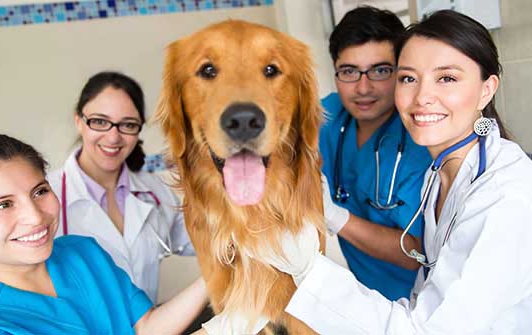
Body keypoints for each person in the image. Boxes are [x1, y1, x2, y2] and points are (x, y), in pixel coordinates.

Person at [253, 10, 532, 334]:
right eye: (409, 78)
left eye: (447, 78)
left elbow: (427, 330)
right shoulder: (442, 172)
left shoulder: (507, 197)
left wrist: (305, 266)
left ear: (487, 89)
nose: (423, 97)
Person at [0, 134, 210, 335]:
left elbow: (145, 327)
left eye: (39, 192)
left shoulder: (81, 252)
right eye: (3, 205)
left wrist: (215, 275)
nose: (36, 217)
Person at [48, 71, 194, 303]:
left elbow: (204, 240)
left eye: (128, 124)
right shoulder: (48, 197)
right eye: (100, 121)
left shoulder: (155, 192)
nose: (114, 137)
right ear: (79, 121)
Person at [320, 5, 432, 300]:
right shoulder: (327, 116)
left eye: (380, 70)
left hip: (422, 305)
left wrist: (335, 217)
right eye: (349, 71)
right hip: (367, 302)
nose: (363, 87)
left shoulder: (422, 139)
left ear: (400, 71)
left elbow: (419, 253)